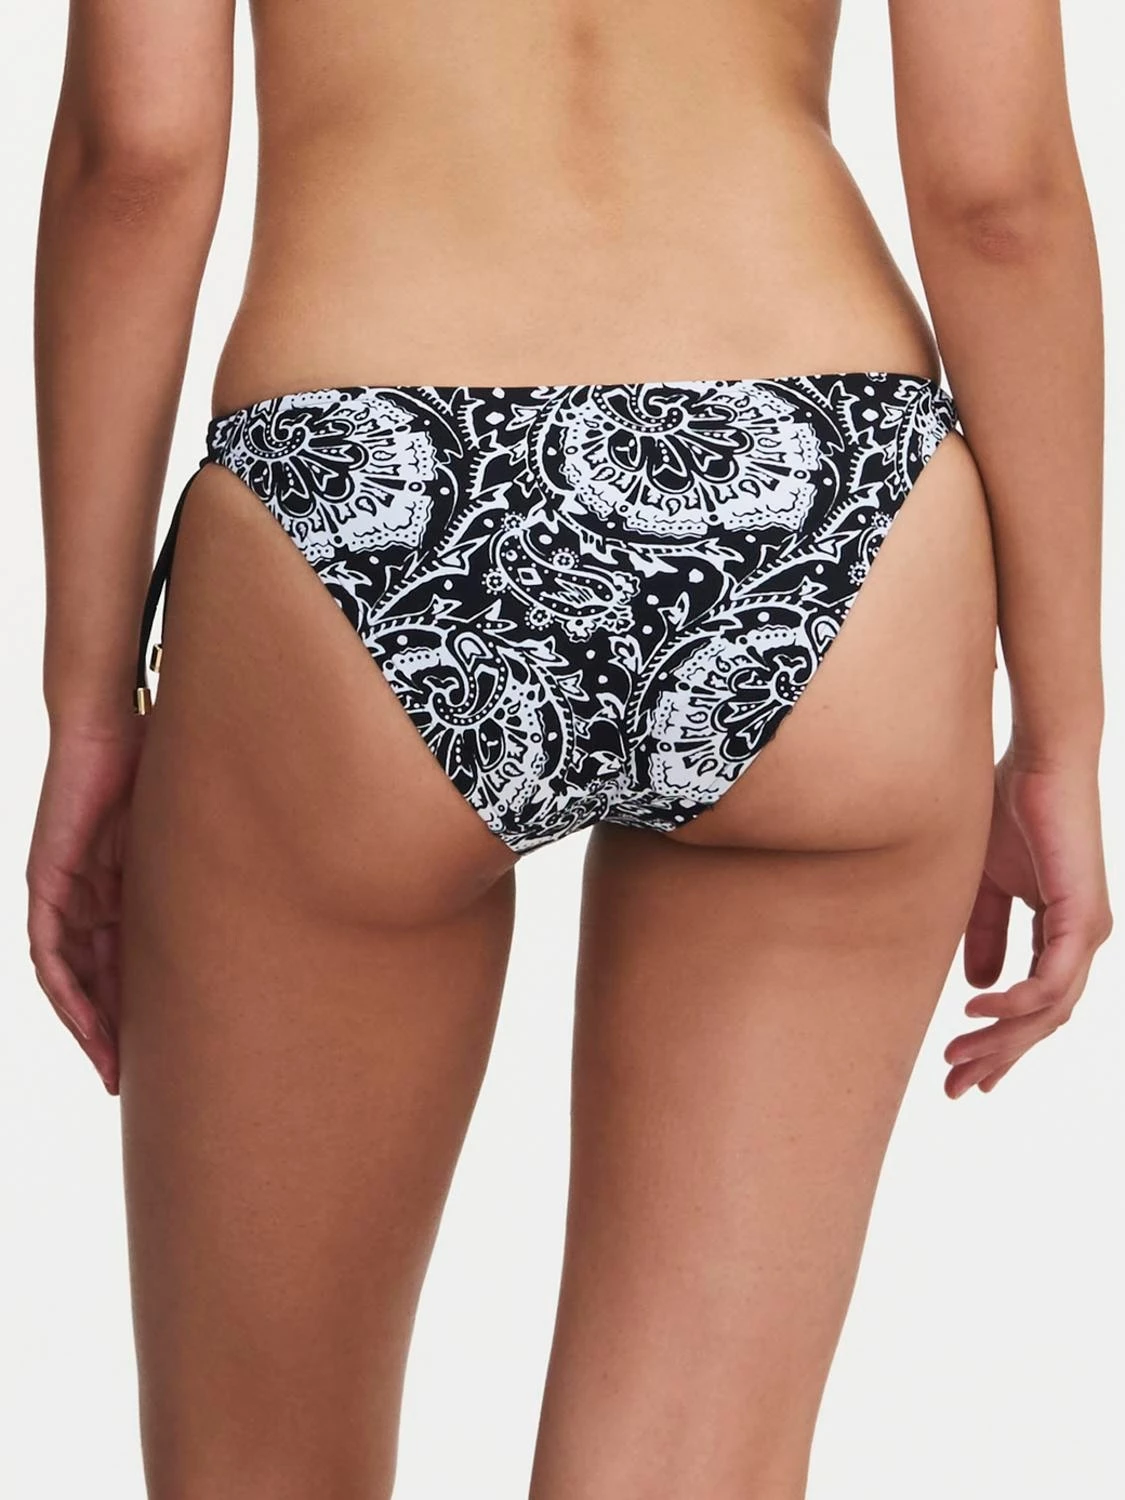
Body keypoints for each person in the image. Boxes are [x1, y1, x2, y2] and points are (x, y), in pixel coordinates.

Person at [26, 1, 1111, 1495]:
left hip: (364, 473)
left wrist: (89, 700)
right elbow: (999, 198)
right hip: (819, 490)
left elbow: (136, 159)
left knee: (259, 1468)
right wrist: (1061, 730)